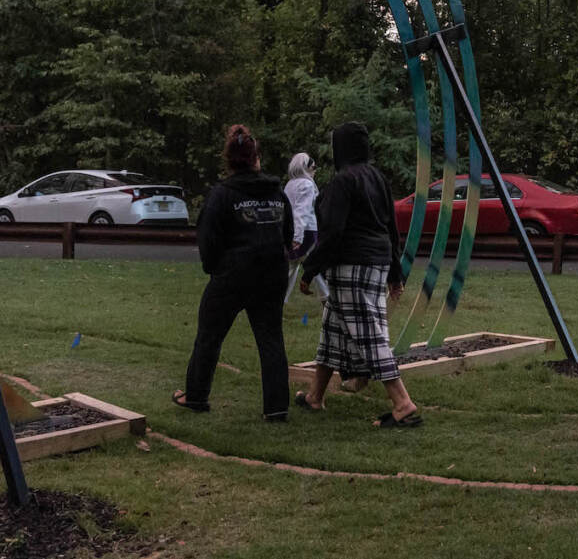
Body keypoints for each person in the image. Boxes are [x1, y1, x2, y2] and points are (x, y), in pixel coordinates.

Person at [295, 122, 421, 427]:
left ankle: (403, 404)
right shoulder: (377, 178)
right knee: (333, 332)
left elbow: (333, 232)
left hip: (352, 263)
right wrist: (395, 273)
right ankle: (315, 396)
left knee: (369, 334)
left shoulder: (342, 181)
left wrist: (310, 269)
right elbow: (390, 230)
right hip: (376, 261)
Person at [173, 125, 292, 421]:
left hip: (232, 276)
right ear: (256, 158)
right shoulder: (277, 193)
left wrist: (215, 269)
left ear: (228, 161)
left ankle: (196, 396)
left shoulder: (221, 195)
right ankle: (277, 407)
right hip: (272, 274)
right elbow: (288, 234)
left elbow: (208, 239)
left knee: (209, 336)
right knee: (271, 339)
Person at [283, 152, 327, 301]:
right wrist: (298, 237)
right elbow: (302, 211)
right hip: (307, 232)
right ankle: (326, 296)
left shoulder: (289, 184)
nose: (315, 170)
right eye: (313, 167)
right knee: (312, 263)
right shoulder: (307, 185)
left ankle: (280, 299)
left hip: (294, 231)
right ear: (305, 168)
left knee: (293, 266)